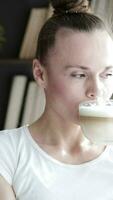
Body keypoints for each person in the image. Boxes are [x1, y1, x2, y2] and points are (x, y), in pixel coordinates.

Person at [1, 0, 113, 199]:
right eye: (79, 74)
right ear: (40, 73)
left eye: (107, 74)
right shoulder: (7, 154)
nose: (96, 91)